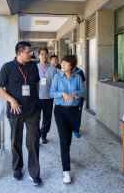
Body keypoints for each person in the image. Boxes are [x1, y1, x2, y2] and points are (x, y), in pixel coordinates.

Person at [0, 41, 42, 186]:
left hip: (33, 109)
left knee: (33, 141)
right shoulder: (7, 67)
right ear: (19, 53)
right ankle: (17, 168)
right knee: (16, 140)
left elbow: (36, 84)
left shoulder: (33, 66)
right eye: (28, 52)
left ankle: (34, 173)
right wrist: (12, 100)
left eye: (31, 52)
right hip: (15, 110)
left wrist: (34, 99)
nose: (31, 54)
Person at [49, 55, 85, 183]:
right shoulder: (57, 77)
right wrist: (62, 93)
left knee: (68, 137)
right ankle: (66, 171)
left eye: (66, 63)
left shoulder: (78, 77)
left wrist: (77, 93)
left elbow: (83, 92)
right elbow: (51, 92)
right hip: (60, 111)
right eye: (62, 62)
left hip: (73, 111)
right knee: (64, 139)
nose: (62, 65)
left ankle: (66, 155)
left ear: (72, 66)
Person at [37, 48, 57, 144]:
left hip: (48, 98)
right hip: (37, 98)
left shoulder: (53, 68)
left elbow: (55, 83)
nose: (44, 56)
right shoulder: (36, 67)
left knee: (47, 119)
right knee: (36, 118)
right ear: (39, 56)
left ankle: (43, 135)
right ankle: (36, 136)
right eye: (42, 54)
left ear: (48, 55)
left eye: (45, 54)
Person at [71, 55, 86, 138]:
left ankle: (76, 129)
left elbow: (83, 83)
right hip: (70, 97)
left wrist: (84, 94)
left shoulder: (80, 71)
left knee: (78, 113)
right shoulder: (67, 71)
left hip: (79, 95)